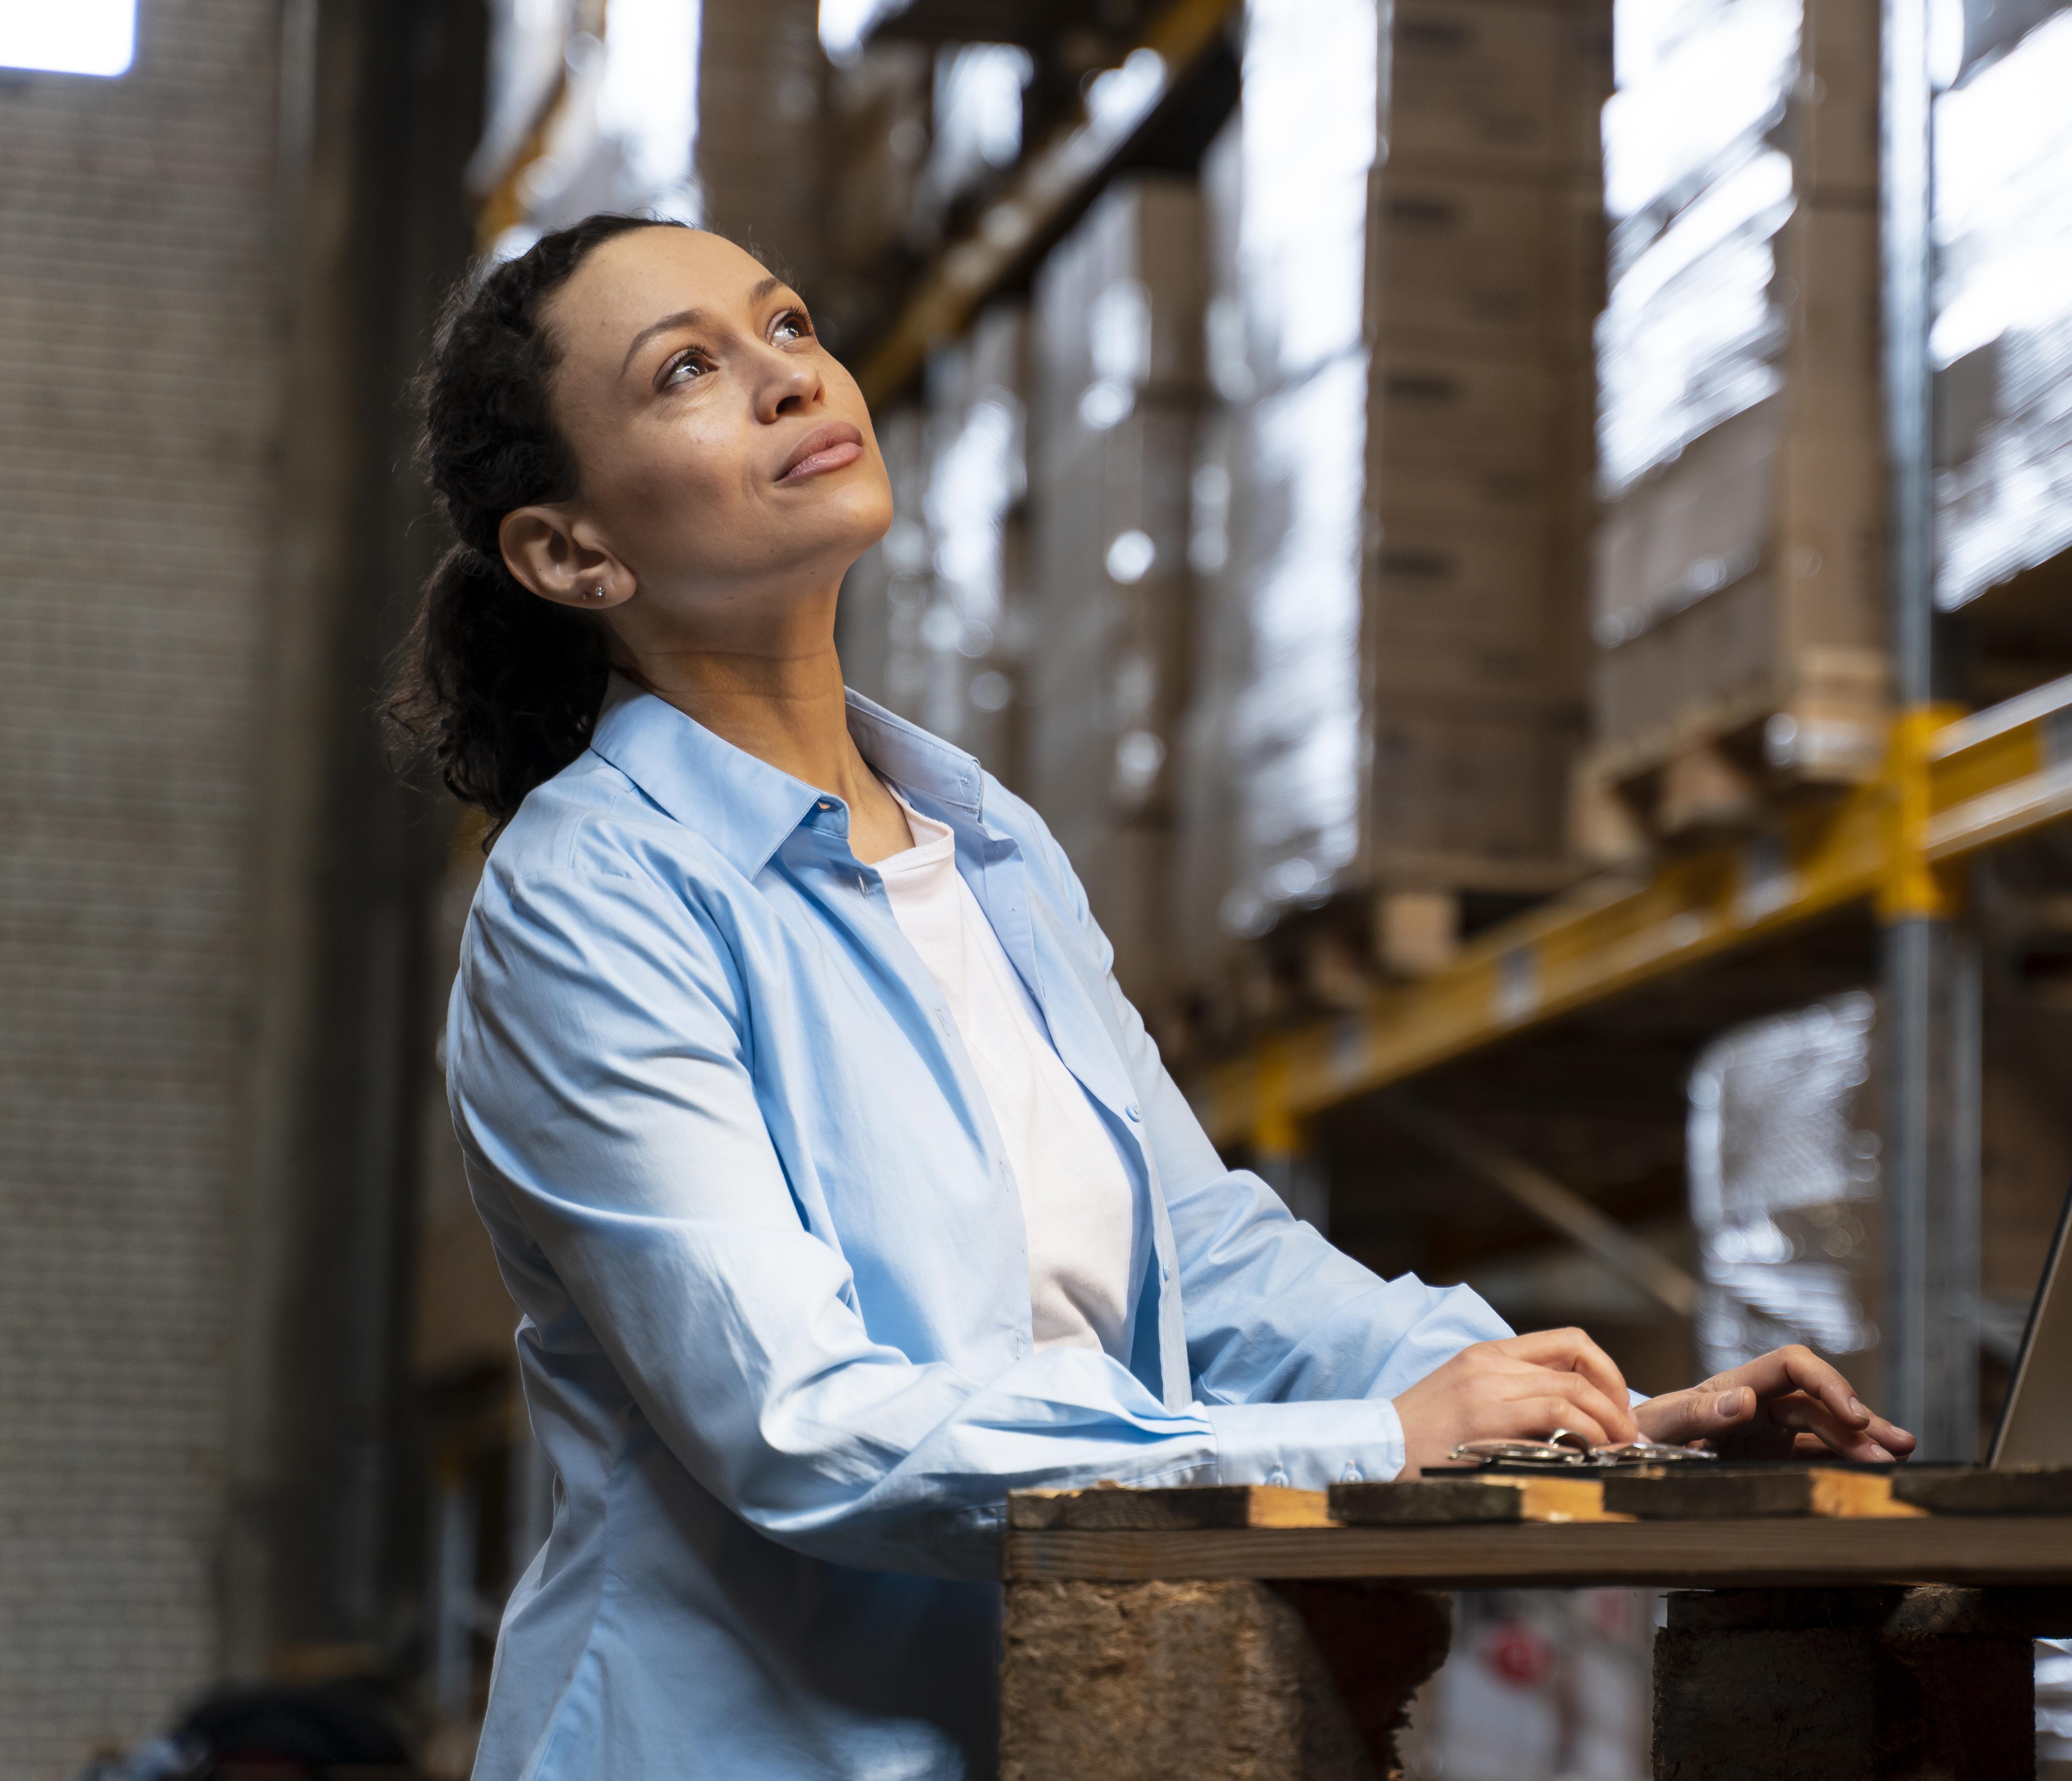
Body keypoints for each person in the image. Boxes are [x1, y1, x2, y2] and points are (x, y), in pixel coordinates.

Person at [386, 212, 1916, 1781]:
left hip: (1047, 1728)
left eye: (786, 323)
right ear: (572, 553)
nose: (788, 379)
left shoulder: (984, 845)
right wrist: (1385, 1442)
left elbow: (1204, 1259)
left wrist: (1573, 1409)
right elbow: (803, 1422)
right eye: (691, 369)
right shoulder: (591, 895)